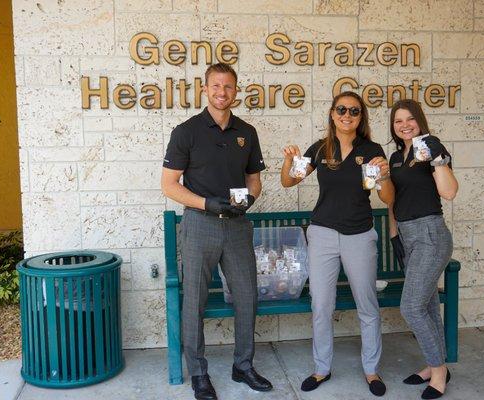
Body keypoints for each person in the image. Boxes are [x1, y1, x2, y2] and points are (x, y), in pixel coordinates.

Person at [161, 63, 272, 400]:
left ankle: (243, 366)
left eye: (228, 87)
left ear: (236, 91)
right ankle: (198, 372)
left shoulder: (247, 132)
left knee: (247, 297)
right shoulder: (186, 131)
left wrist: (250, 198)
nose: (222, 93)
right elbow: (169, 185)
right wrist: (207, 204)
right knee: (194, 301)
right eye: (216, 86)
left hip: (237, 227)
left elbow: (254, 178)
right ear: (205, 89)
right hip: (200, 225)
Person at [280, 91, 394, 396]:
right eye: (341, 109)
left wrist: (383, 176)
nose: (347, 115)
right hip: (322, 235)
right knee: (321, 305)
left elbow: (386, 197)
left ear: (361, 117)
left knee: (367, 305)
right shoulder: (320, 149)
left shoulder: (371, 150)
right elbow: (289, 181)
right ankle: (322, 369)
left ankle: (371, 370)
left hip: (359, 234)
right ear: (332, 114)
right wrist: (289, 161)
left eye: (354, 111)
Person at [387, 99, 458, 400]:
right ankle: (434, 365)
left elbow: (449, 192)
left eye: (410, 119)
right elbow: (393, 201)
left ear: (420, 121)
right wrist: (395, 238)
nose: (405, 125)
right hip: (407, 235)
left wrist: (438, 159)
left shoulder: (430, 146)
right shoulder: (394, 157)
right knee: (427, 306)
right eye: (398, 120)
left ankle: (439, 371)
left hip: (431, 233)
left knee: (411, 307)